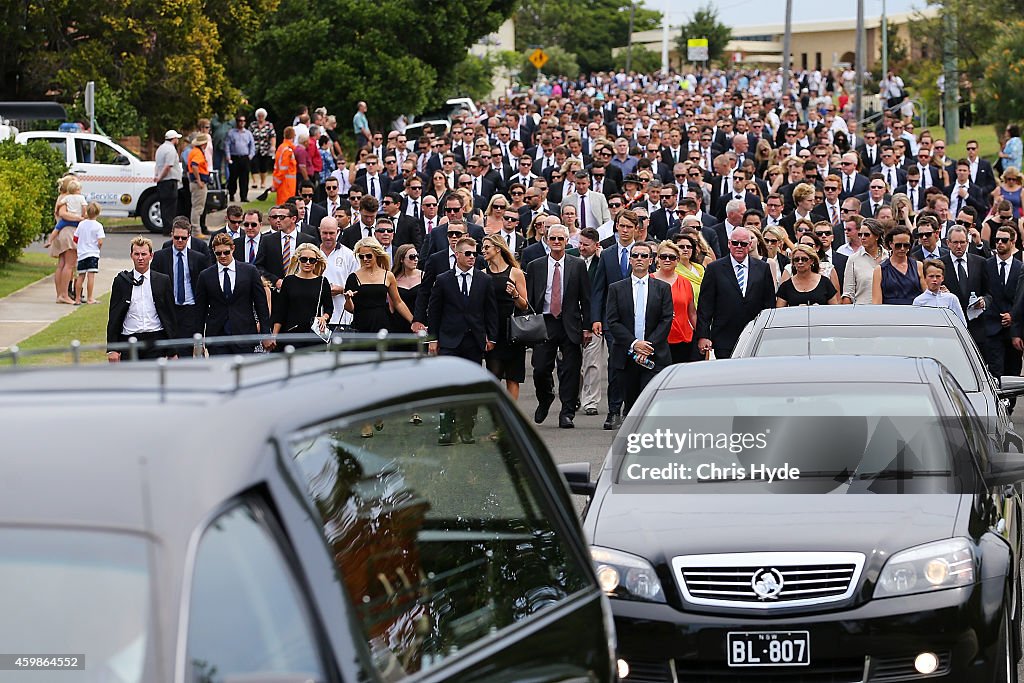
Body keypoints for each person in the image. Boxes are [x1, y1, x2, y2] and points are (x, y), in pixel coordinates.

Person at [427, 236, 499, 444]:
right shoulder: (443, 279)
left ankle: (466, 429)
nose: (472, 257)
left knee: (471, 387)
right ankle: (446, 430)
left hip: (474, 341)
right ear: (457, 254)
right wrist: (433, 339)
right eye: (467, 253)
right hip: (449, 340)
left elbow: (490, 311)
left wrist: (491, 337)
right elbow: (434, 312)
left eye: (474, 254)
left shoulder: (484, 280)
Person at [525, 225, 592, 429]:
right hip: (544, 322)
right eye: (552, 238)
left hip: (569, 322)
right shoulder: (535, 266)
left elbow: (586, 298)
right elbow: (529, 298)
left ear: (566, 241)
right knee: (540, 368)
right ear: (546, 240)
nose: (556, 242)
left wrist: (587, 326)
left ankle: (567, 412)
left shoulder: (577, 265)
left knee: (571, 369)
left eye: (560, 239)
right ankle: (545, 397)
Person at [606, 240, 674, 413]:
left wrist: (647, 346)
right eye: (635, 255)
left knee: (651, 403)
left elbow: (666, 319)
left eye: (644, 256)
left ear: (651, 260)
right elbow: (613, 321)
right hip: (626, 355)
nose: (639, 259)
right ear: (629, 260)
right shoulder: (616, 288)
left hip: (654, 354)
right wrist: (635, 344)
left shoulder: (662, 288)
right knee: (631, 404)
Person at [696, 227, 776, 359]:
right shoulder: (714, 269)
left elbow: (769, 304)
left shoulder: (762, 268)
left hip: (754, 335)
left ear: (750, 245)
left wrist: (768, 334)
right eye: (735, 243)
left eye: (743, 244)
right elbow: (705, 305)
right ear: (729, 244)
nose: (739, 246)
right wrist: (703, 336)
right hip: (723, 336)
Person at [591, 210, 639, 430]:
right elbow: (598, 289)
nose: (626, 230)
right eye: (622, 226)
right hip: (612, 321)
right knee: (615, 366)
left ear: (636, 229)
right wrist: (596, 319)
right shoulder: (608, 255)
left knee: (636, 367)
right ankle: (613, 411)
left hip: (638, 319)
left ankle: (632, 411)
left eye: (630, 227)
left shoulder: (643, 253)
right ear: (616, 227)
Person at [195, 233, 272, 355]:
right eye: (218, 253)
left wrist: (266, 334)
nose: (222, 256)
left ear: (233, 249)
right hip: (217, 336)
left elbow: (261, 305)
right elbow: (200, 310)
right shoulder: (205, 276)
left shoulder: (250, 271)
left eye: (226, 252)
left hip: (244, 334)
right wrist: (198, 340)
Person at [106, 237, 178, 362]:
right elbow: (114, 316)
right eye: (137, 254)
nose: (140, 258)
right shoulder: (121, 281)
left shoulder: (163, 281)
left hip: (156, 338)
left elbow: (170, 316)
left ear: (151, 256)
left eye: (144, 254)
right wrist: (112, 348)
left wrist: (173, 350)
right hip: (129, 339)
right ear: (131, 255)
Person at [151, 218, 211, 355]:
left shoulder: (198, 258)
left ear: (189, 237)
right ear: (171, 234)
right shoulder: (160, 257)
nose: (179, 241)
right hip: (168, 309)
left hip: (190, 310)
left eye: (183, 238)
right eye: (176, 237)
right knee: (167, 352)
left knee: (185, 352)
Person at [481, 234, 529, 399]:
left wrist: (515, 294)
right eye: (483, 247)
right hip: (493, 331)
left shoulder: (515, 273)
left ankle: (511, 419)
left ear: (498, 248)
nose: (483, 250)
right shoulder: (482, 274)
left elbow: (524, 305)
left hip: (512, 330)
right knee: (493, 376)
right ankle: (496, 417)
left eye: (487, 247)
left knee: (512, 377)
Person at [267, 243, 334, 350]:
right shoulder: (289, 281)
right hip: (291, 334)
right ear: (298, 260)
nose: (307, 263)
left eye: (311, 260)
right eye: (304, 259)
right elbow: (280, 311)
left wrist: (324, 318)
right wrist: (274, 336)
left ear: (316, 262)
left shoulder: (322, 282)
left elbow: (329, 308)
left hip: (313, 335)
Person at [345, 237, 413, 335]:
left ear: (376, 254)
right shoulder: (353, 277)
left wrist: (413, 321)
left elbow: (398, 302)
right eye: (361, 256)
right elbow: (350, 309)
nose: (365, 259)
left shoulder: (388, 275)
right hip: (361, 325)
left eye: (368, 256)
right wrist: (348, 299)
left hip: (383, 324)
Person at [983, 225, 1022, 381]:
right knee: (995, 371)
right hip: (992, 328)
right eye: (997, 239)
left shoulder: (1021, 268)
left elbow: (1022, 299)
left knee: (1013, 370)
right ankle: (999, 405)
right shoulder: (986, 265)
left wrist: (1012, 316)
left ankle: (1009, 405)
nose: (999, 243)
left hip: (1014, 330)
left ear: (1012, 242)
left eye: (1004, 240)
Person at [651, 241, 697, 363]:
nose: (667, 260)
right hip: (655, 340)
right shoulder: (648, 281)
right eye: (663, 256)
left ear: (677, 260)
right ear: (657, 259)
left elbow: (692, 313)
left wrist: (702, 335)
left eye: (671, 257)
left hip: (683, 340)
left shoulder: (686, 283)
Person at [255, 203, 316, 291]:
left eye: (282, 217)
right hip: (276, 293)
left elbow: (315, 266)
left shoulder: (308, 240)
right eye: (276, 217)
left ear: (293, 219)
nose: (278, 220)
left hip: (302, 291)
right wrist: (275, 280)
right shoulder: (267, 240)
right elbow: (259, 266)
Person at [47, 175, 85, 304]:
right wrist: (78, 218)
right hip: (68, 232)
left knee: (62, 264)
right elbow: (63, 214)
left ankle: (60, 294)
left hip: (61, 232)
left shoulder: (62, 198)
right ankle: (64, 294)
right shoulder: (67, 199)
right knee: (69, 264)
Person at [318, 216, 359, 330]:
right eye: (324, 233)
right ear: (319, 231)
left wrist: (342, 290)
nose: (328, 237)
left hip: (342, 316)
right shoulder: (311, 255)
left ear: (338, 231)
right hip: (317, 317)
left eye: (331, 233)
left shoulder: (349, 255)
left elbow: (357, 286)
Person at [872, 225, 925, 304]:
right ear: (890, 244)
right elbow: (877, 301)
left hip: (915, 311)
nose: (902, 249)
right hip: (890, 312)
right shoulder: (880, 270)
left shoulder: (918, 266)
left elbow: (926, 295)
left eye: (906, 245)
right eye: (898, 245)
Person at [842, 218, 888, 304]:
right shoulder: (853, 259)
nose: (862, 238)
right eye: (860, 235)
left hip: (888, 309)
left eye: (866, 235)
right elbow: (848, 293)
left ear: (877, 236)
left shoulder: (888, 257)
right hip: (862, 310)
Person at [72, 202, 104, 305]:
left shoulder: (81, 224)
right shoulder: (98, 226)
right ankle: (90, 298)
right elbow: (100, 241)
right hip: (93, 254)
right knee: (91, 276)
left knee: (80, 276)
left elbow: (75, 238)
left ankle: (77, 298)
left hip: (82, 254)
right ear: (98, 213)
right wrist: (98, 247)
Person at [154, 129, 182, 235]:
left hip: (162, 182)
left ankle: (166, 227)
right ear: (173, 139)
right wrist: (161, 177)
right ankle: (169, 229)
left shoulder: (160, 149)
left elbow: (158, 165)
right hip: (169, 181)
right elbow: (168, 166)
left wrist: (156, 176)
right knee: (171, 206)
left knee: (164, 205)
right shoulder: (171, 150)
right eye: (177, 138)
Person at [389, 243, 421, 333]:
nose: (416, 259)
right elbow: (392, 308)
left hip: (421, 324)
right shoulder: (393, 279)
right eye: (411, 257)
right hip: (399, 325)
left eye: (417, 256)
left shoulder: (424, 276)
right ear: (401, 259)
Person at [224, 113, 255, 202]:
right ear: (237, 122)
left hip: (245, 158)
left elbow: (252, 145)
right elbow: (227, 145)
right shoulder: (231, 133)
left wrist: (250, 156)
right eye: (240, 121)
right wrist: (228, 157)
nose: (242, 123)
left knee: (244, 178)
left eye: (243, 121)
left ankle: (244, 196)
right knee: (233, 177)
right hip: (234, 157)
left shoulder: (248, 133)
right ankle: (232, 193)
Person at [187, 133, 211, 233]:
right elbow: (194, 165)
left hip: (193, 182)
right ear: (203, 144)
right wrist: (199, 181)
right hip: (198, 184)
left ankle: (195, 229)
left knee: (195, 206)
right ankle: (196, 230)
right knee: (198, 208)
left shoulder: (194, 151)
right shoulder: (198, 153)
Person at [249, 108, 276, 190]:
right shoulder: (253, 125)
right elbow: (249, 136)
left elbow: (273, 136)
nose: (260, 117)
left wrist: (273, 146)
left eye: (262, 116)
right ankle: (255, 182)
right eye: (259, 116)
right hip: (254, 148)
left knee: (263, 166)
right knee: (254, 165)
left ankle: (263, 182)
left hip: (265, 149)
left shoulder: (269, 125)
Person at [270, 126, 298, 205]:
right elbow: (283, 169)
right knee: (286, 207)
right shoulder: (287, 150)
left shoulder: (281, 148)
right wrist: (276, 184)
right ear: (293, 136)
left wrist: (275, 183)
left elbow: (277, 167)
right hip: (286, 184)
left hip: (283, 183)